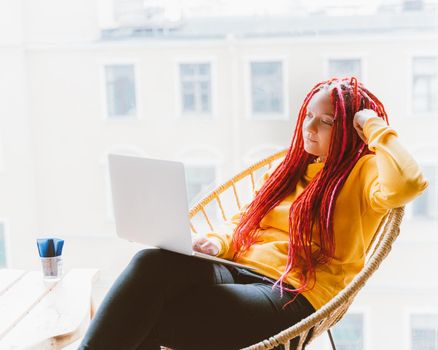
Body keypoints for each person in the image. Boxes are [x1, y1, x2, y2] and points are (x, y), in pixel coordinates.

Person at [78, 77, 428, 350]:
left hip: (292, 293)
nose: (310, 127)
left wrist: (372, 125)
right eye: (308, 115)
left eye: (326, 121)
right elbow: (243, 222)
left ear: (352, 132)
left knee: (146, 315)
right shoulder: (288, 170)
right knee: (150, 263)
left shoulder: (363, 172)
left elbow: (410, 183)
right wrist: (216, 243)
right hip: (238, 268)